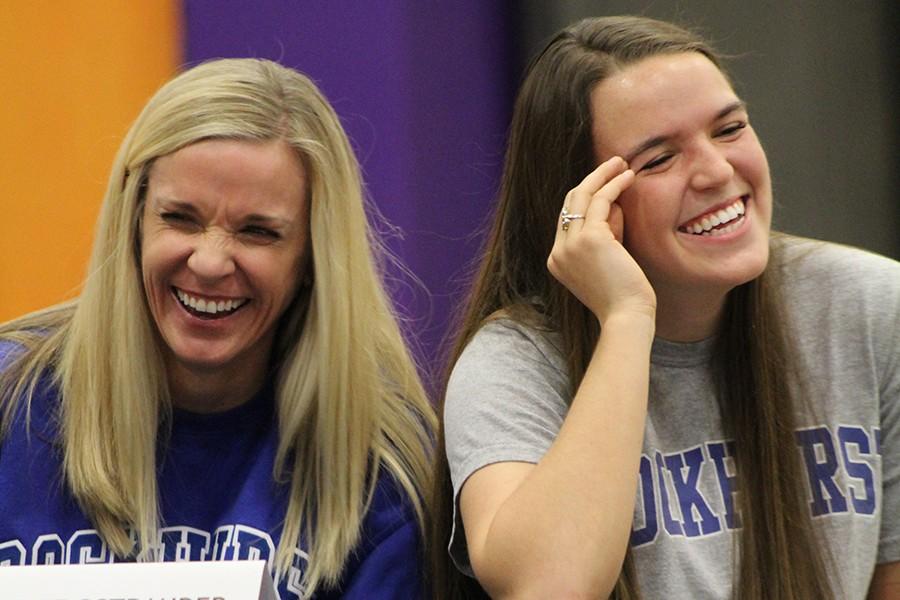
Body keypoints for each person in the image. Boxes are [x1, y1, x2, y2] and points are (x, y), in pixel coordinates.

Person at [430, 15, 899, 600]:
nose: (717, 171)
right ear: (586, 205)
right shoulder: (513, 365)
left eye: (729, 129)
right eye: (658, 159)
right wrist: (625, 319)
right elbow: (547, 588)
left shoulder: (872, 307)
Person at [0, 58, 435, 599]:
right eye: (180, 218)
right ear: (132, 223)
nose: (209, 262)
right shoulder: (10, 396)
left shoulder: (377, 466)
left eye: (257, 232)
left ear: (312, 260)